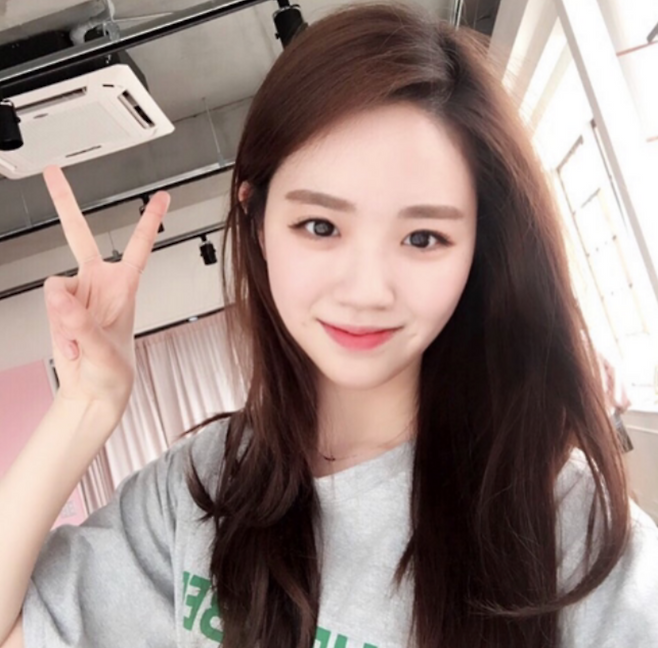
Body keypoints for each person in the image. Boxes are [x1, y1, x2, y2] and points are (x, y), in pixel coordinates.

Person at [1, 3, 657, 647]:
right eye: (320, 226)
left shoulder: (570, 530)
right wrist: (86, 404)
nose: (367, 291)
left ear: (478, 250)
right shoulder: (204, 486)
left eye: (423, 238)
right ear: (258, 224)